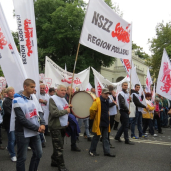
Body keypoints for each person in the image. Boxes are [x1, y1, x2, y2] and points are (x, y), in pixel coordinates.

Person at [12, 79, 45, 171]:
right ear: (25, 87)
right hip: (22, 132)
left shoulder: (33, 98)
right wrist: (37, 128)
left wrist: (42, 124)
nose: (34, 89)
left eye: (34, 87)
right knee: (22, 158)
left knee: (38, 153)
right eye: (32, 87)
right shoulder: (16, 100)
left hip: (35, 131)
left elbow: (39, 112)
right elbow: (22, 119)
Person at [48, 85, 71, 171]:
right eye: (62, 90)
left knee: (58, 145)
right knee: (59, 147)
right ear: (57, 90)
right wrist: (66, 111)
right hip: (55, 126)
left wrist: (67, 119)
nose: (64, 92)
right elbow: (54, 113)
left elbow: (65, 111)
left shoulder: (63, 99)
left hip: (62, 125)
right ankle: (61, 166)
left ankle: (54, 160)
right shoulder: (52, 99)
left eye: (65, 90)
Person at [89, 88, 115, 157]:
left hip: (105, 121)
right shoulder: (97, 101)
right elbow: (92, 109)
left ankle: (107, 152)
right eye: (105, 93)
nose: (107, 95)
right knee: (96, 137)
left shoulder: (107, 100)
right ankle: (92, 151)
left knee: (105, 138)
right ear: (102, 93)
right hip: (99, 122)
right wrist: (93, 118)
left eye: (108, 93)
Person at [3, 87, 16, 161]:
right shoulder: (6, 101)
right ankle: (12, 154)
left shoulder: (16, 99)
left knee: (16, 139)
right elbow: (8, 112)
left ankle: (9, 147)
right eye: (10, 91)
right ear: (7, 93)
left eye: (13, 90)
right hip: (9, 123)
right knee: (12, 138)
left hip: (16, 122)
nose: (12, 92)